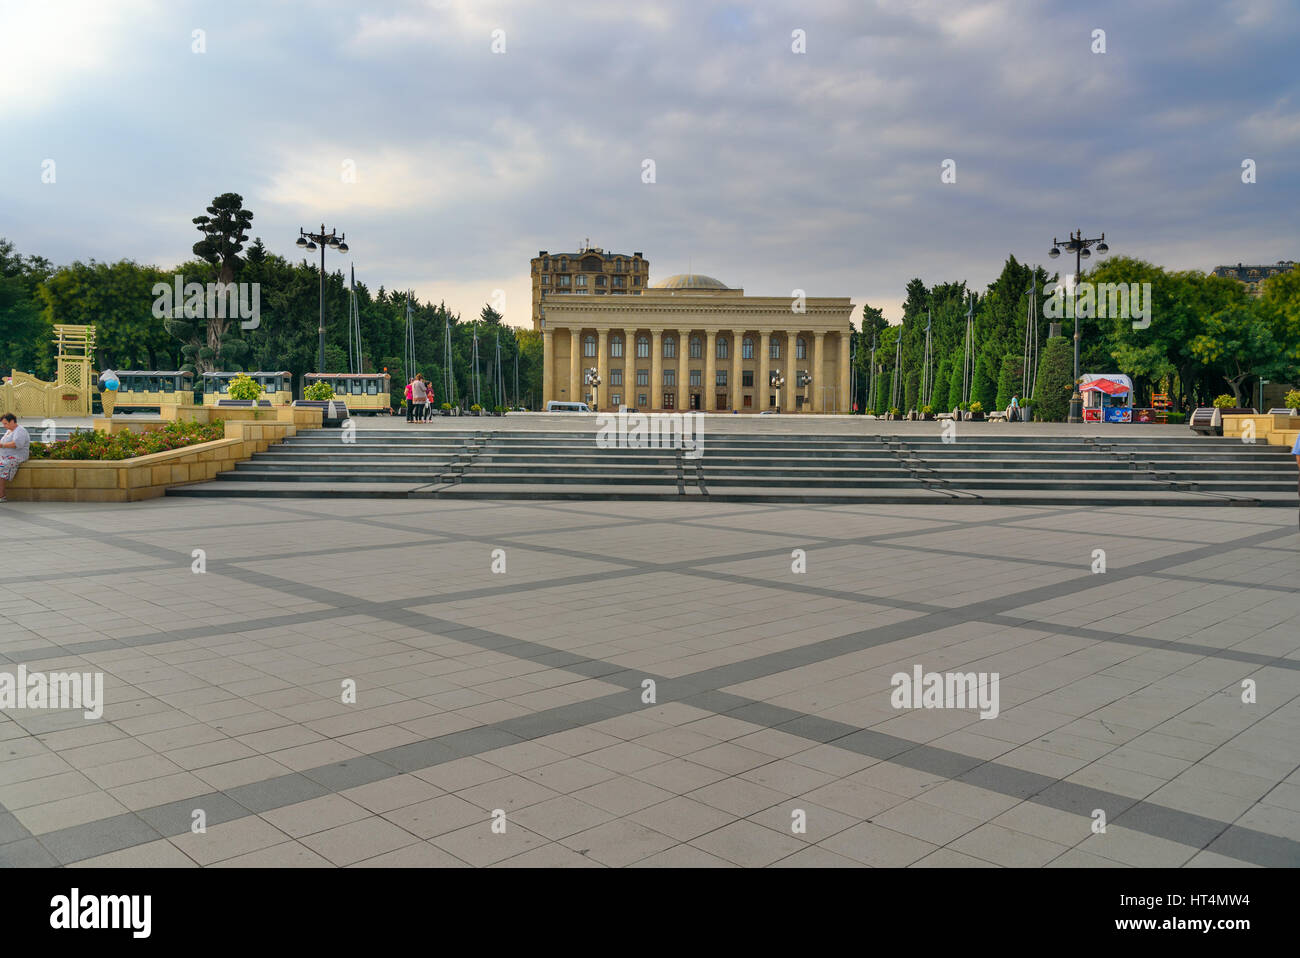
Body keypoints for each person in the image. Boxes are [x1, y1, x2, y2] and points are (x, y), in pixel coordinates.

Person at [0, 413, 31, 502]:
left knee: (1, 467)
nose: (4, 426)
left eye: (6, 423)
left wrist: (1, 445)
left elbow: (17, 444)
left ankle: (1, 496)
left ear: (12, 421)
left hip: (17, 456)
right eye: (3, 424)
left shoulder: (20, 431)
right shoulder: (10, 430)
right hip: (6, 456)